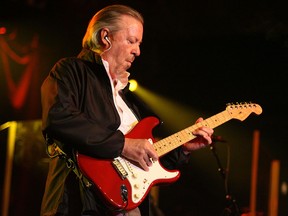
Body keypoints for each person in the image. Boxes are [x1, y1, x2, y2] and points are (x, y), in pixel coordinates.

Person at [40, 4, 214, 216]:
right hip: (81, 202)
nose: (138, 51)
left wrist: (183, 148)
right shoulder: (71, 70)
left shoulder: (127, 98)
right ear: (106, 37)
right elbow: (59, 119)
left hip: (126, 205)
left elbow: (142, 159)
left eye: (139, 44)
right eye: (131, 41)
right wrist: (123, 145)